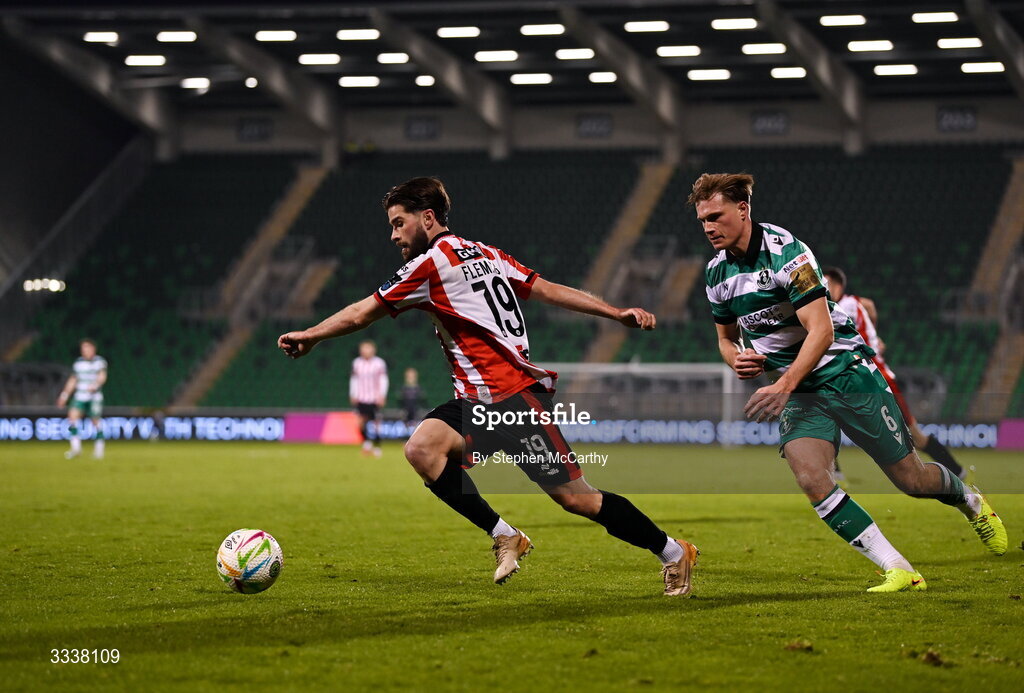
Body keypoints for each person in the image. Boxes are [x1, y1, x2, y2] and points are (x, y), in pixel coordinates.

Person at [279, 177, 699, 596]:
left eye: (398, 223)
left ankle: (674, 552)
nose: (393, 235)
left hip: (515, 400)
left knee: (578, 500)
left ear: (427, 218)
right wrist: (614, 312)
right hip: (476, 402)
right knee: (422, 449)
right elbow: (548, 289)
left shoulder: (429, 265)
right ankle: (505, 535)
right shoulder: (488, 254)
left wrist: (311, 334)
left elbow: (360, 314)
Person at [692, 172, 1007, 593]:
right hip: (800, 389)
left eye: (716, 215)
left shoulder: (788, 254)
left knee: (911, 480)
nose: (709, 227)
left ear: (743, 210)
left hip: (846, 372)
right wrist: (739, 360)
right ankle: (899, 569)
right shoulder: (716, 276)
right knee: (810, 477)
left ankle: (971, 502)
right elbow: (725, 339)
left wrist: (782, 384)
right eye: (702, 220)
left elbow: (821, 332)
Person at [823, 267, 972, 482]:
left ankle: (956, 473)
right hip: (858, 375)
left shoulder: (844, 304)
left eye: (826, 284)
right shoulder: (849, 305)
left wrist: (871, 338)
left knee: (914, 437)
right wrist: (872, 336)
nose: (823, 289)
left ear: (838, 286)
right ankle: (834, 473)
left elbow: (866, 306)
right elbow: (869, 306)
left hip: (878, 377)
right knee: (826, 410)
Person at [56, 338, 107, 460]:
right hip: (80, 395)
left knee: (95, 421)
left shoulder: (99, 362)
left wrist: (94, 386)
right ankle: (76, 448)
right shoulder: (78, 363)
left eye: (87, 348)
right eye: (83, 348)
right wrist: (64, 395)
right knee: (72, 418)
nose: (85, 350)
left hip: (94, 397)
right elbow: (73, 380)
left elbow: (102, 376)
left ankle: (99, 448)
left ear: (93, 349)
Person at [350, 339, 388, 457]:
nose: (365, 351)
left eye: (367, 348)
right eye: (363, 348)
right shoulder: (356, 363)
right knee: (360, 422)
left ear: (373, 350)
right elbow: (354, 380)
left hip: (374, 398)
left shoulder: (379, 363)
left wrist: (382, 395)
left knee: (376, 423)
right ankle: (366, 443)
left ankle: (377, 445)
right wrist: (353, 394)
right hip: (361, 398)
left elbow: (383, 380)